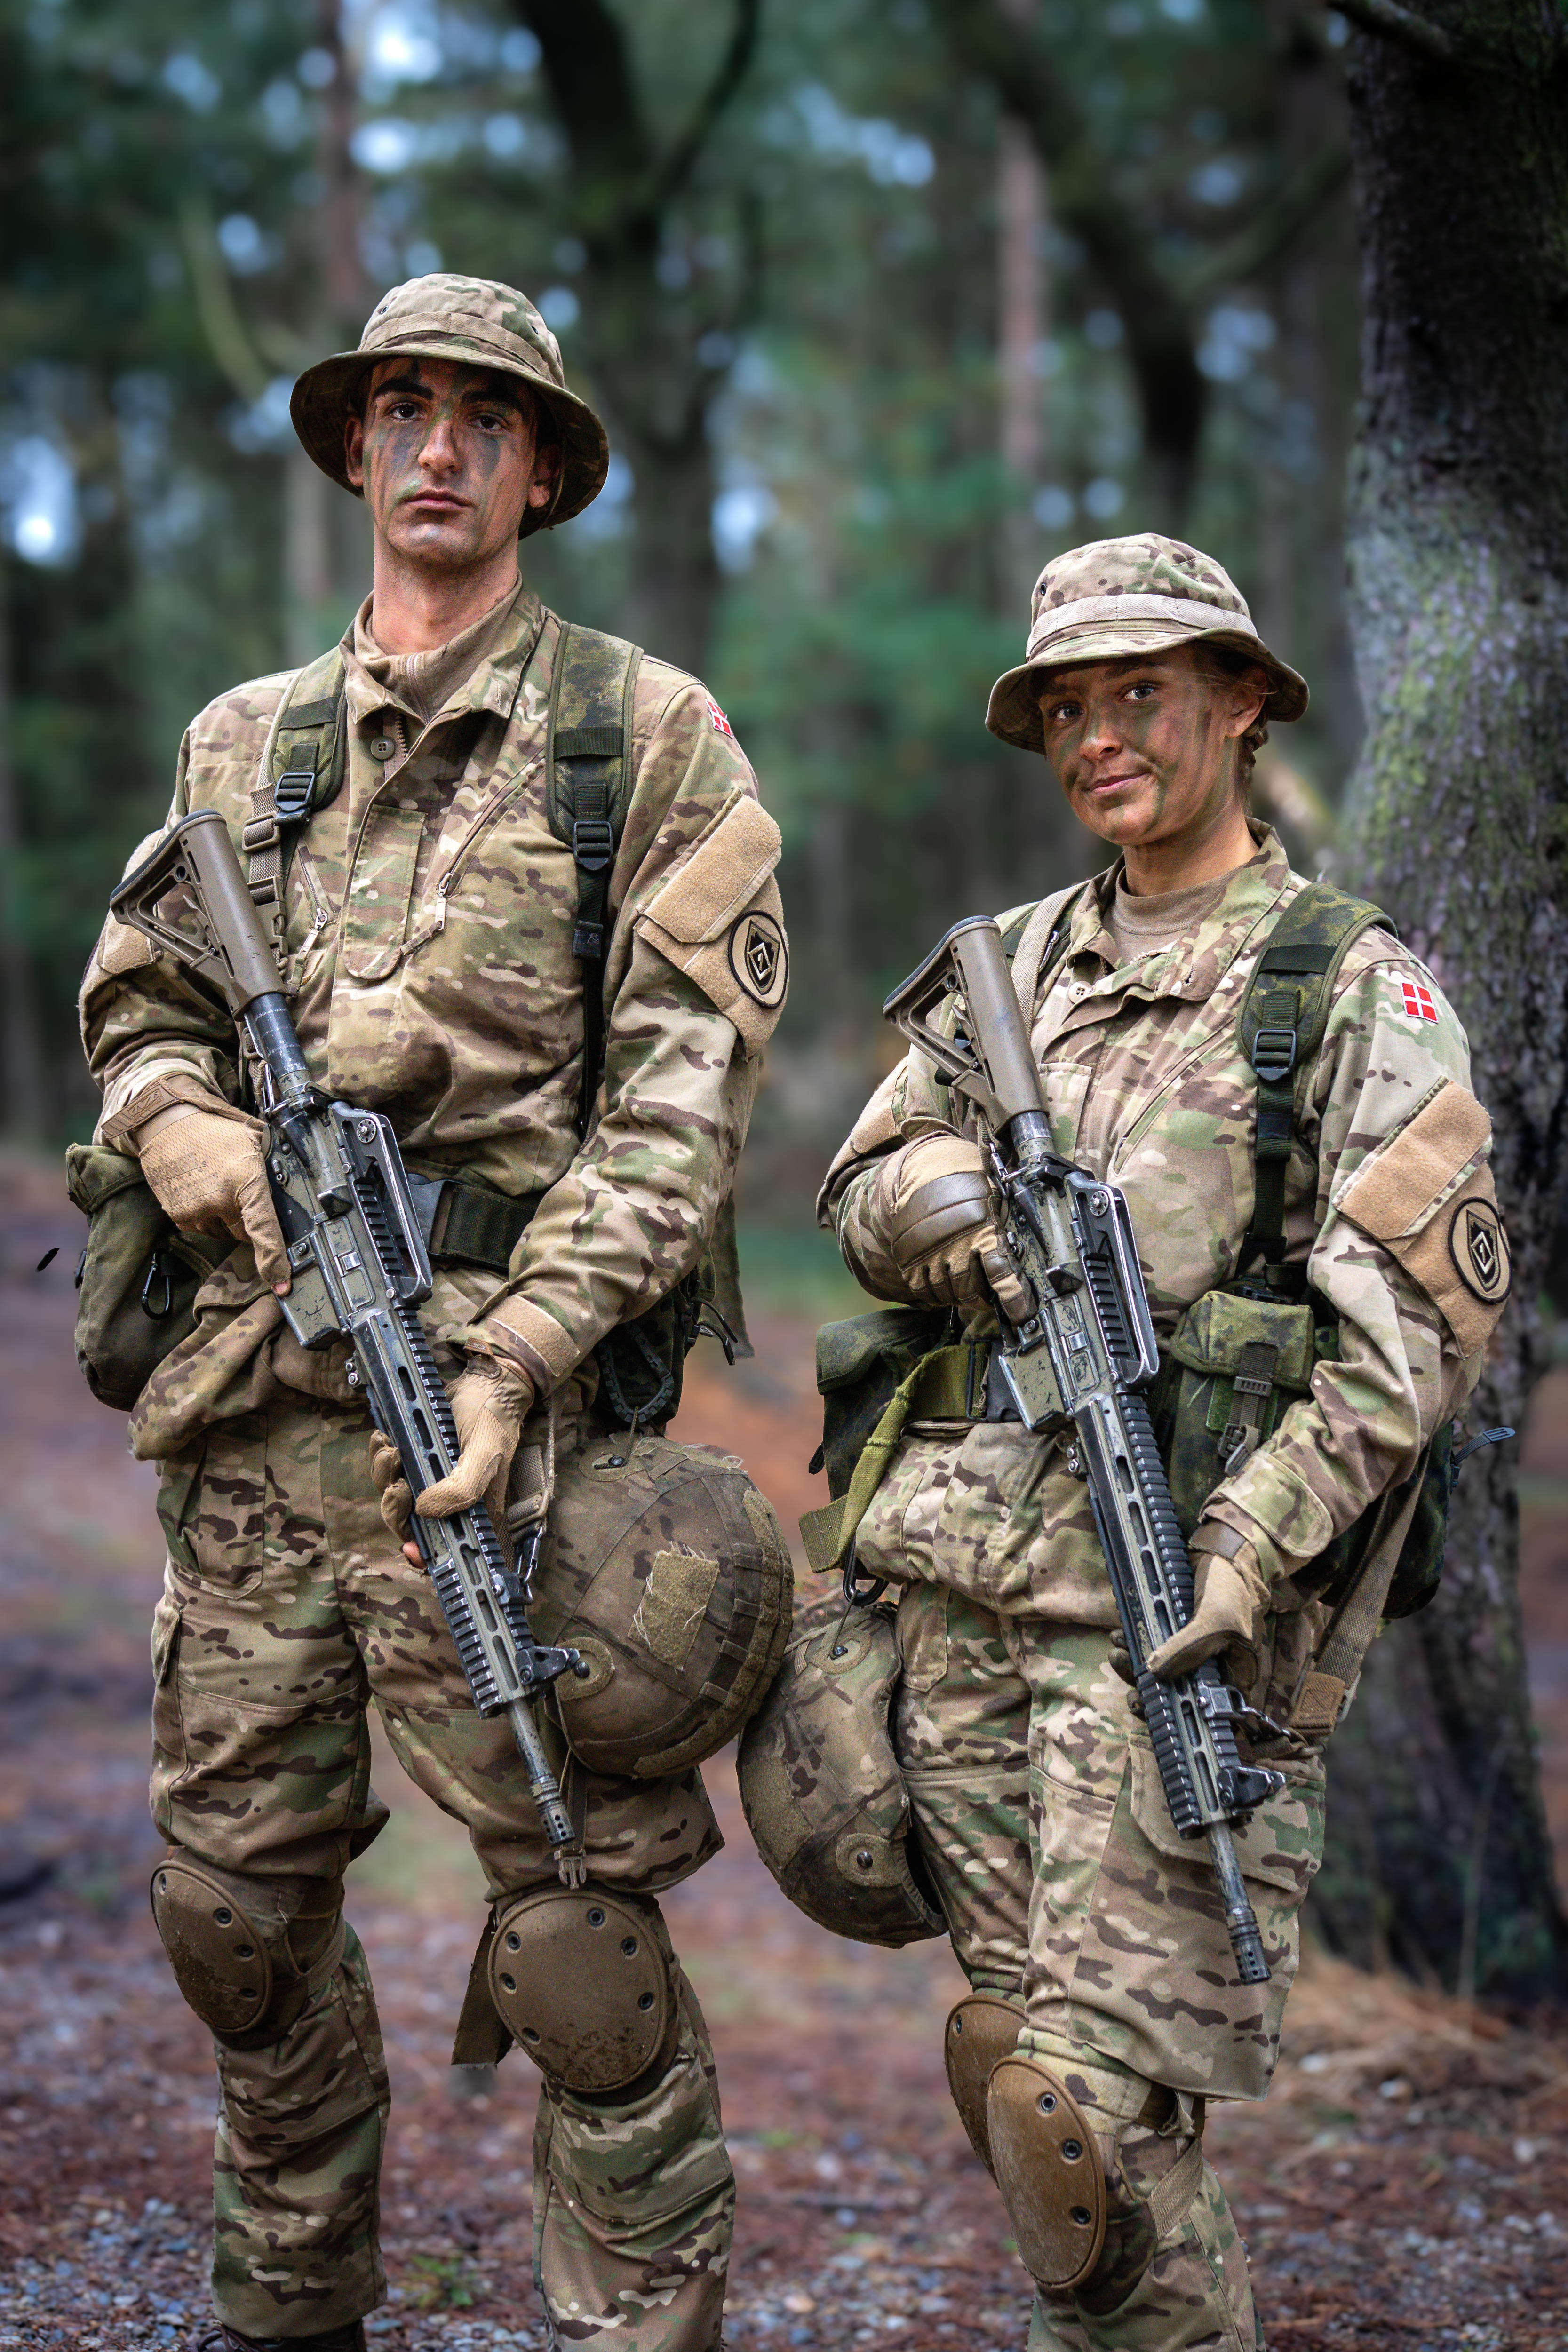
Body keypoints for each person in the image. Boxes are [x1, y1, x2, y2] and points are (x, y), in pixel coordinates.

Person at [79, 275, 788, 2352]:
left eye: (485, 415)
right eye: (402, 407)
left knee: (579, 1941)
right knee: (234, 1907)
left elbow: (681, 1113)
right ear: (357, 449)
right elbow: (141, 1000)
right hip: (249, 1422)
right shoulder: (245, 743)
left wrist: (515, 1347)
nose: (440, 446)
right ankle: (286, 2300)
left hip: (505, 1436)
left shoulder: (644, 736)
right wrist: (179, 1125)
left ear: (544, 466)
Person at [814, 534, 1510, 2349]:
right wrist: (958, 1210)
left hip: (1175, 1632)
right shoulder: (1015, 967)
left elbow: (1412, 1330)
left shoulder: (1346, 988)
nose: (1100, 737)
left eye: (1142, 695)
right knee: (1048, 2128)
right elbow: (864, 1178)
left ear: (1240, 705)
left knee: (1095, 2123)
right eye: (1067, 707)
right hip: (962, 1610)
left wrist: (1248, 1544)